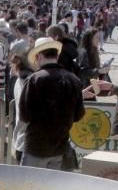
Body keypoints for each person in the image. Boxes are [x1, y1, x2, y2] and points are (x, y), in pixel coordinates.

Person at [17, 37, 84, 170]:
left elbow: (24, 116)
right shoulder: (73, 80)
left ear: (39, 56)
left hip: (36, 147)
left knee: (29, 187)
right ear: (56, 55)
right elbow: (78, 114)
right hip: (60, 146)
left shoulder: (34, 79)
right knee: (53, 189)